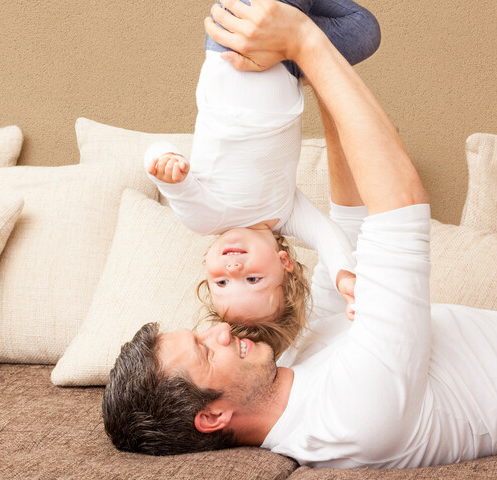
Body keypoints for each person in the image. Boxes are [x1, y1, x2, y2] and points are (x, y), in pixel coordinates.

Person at [103, 0, 497, 468]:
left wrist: (308, 66)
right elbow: (401, 205)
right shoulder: (350, 415)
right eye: (204, 350)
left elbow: (353, 215)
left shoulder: (297, 367)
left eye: (200, 331)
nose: (218, 330)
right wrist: (304, 41)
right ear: (213, 416)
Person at [143, 0, 381, 356]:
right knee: (365, 30)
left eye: (221, 281)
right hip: (288, 59)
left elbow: (158, 160)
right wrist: (345, 277)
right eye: (251, 279)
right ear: (284, 264)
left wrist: (164, 162)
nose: (233, 266)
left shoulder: (204, 217)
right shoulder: (286, 213)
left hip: (237, 45)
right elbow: (328, 235)